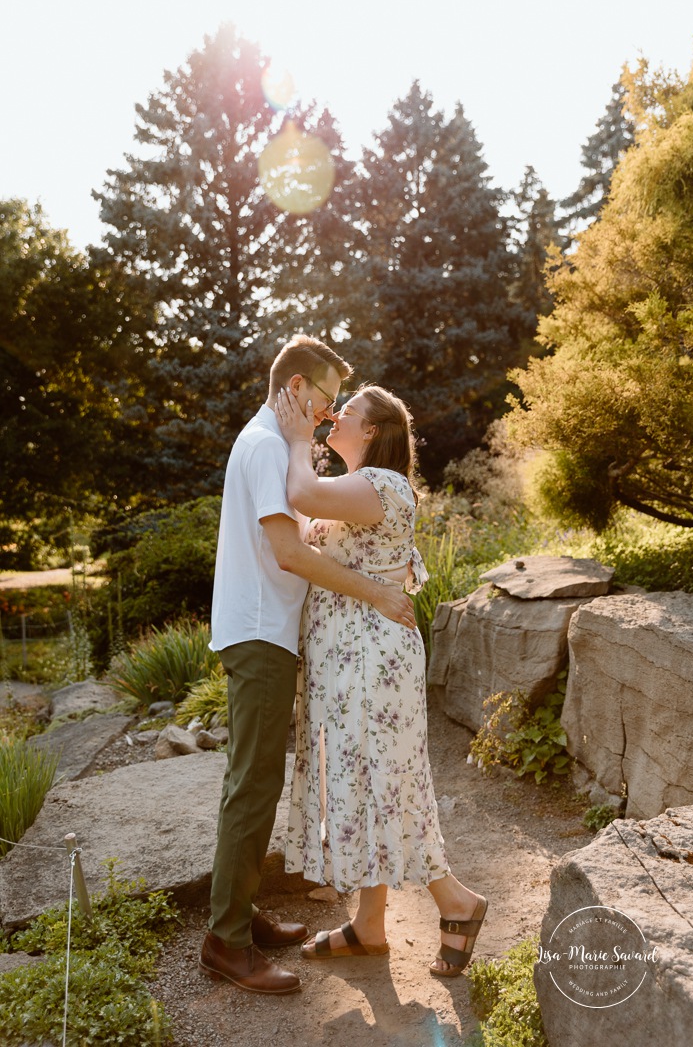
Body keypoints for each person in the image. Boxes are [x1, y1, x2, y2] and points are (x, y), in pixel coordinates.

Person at [199, 336, 417, 997]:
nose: (325, 418)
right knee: (254, 785)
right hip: (262, 633)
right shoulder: (268, 446)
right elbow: (289, 554)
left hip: (263, 631)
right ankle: (225, 943)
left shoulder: (264, 442)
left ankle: (237, 915)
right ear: (295, 389)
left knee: (250, 780)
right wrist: (378, 592)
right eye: (322, 402)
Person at [275, 382, 488, 977]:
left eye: (344, 413)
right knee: (372, 780)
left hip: (371, 660)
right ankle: (369, 926)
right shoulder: (359, 488)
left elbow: (301, 492)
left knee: (386, 782)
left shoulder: (382, 486)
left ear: (370, 431)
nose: (331, 419)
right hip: (352, 660)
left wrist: (295, 438)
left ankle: (458, 903)